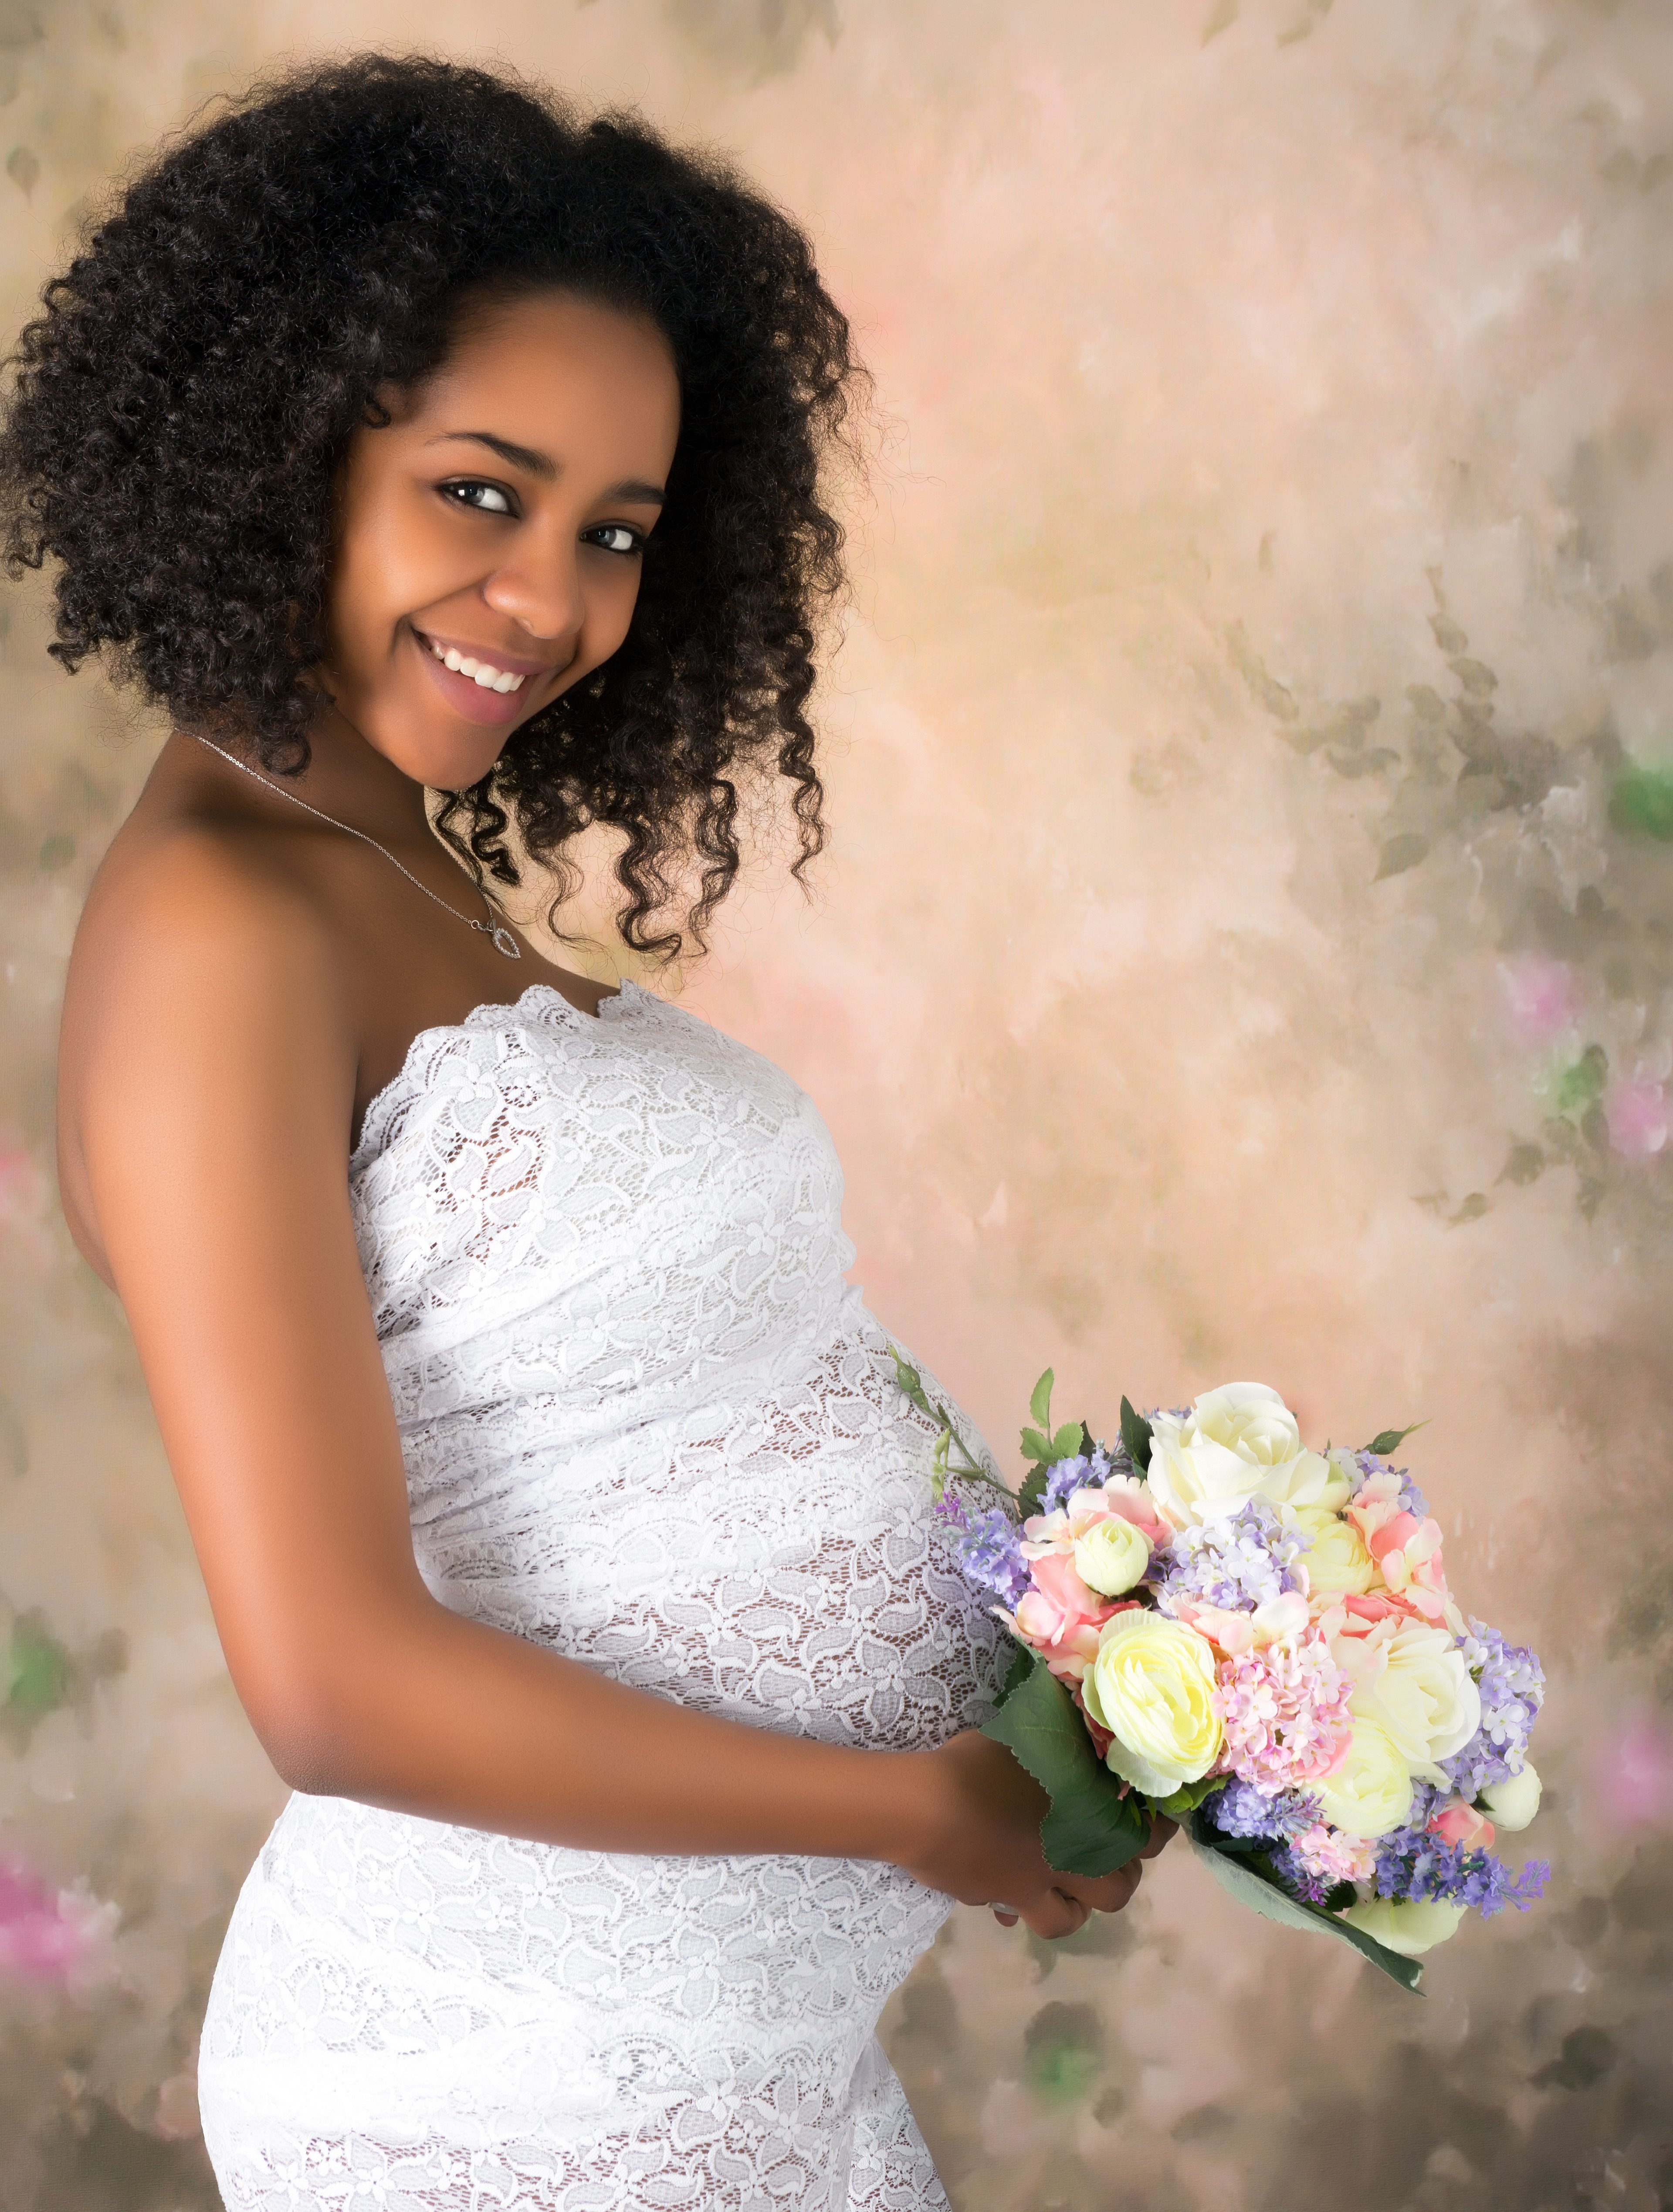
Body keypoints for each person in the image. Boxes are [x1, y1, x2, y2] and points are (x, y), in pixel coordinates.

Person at [2, 56, 1165, 2209]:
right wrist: (912, 1808)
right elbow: (336, 1680)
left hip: (745, 2060)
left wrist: (1155, 1655)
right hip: (502, 2087)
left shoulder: (395, 864)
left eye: (614, 531)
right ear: (288, 452)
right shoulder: (219, 932)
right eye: (479, 492)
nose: (546, 599)